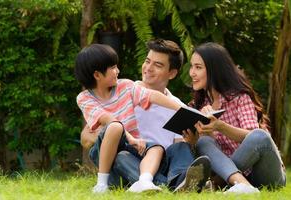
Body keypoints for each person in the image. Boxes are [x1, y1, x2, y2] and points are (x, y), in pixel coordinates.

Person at [79, 40, 211, 193]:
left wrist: (192, 141)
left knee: (180, 147)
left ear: (172, 73)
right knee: (123, 157)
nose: (148, 68)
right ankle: (172, 187)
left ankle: (181, 181)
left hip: (160, 161)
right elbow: (87, 138)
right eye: (147, 61)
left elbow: (180, 146)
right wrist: (117, 137)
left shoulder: (176, 105)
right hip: (129, 157)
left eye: (158, 65)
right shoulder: (124, 92)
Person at [184, 42, 286, 194]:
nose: (192, 73)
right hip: (230, 176)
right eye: (192, 66)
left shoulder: (239, 98)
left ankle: (224, 183)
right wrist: (195, 141)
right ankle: (243, 185)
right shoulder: (197, 107)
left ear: (214, 70)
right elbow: (207, 155)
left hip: (263, 173)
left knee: (259, 135)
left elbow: (254, 139)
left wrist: (220, 126)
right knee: (204, 142)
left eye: (198, 67)